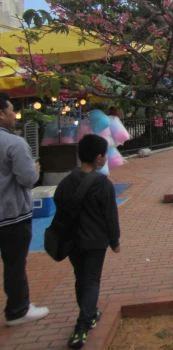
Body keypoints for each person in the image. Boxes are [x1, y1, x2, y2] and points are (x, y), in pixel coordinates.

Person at [54, 134, 121, 348]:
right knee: (92, 280)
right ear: (99, 158)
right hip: (95, 241)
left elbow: (59, 204)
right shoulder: (103, 185)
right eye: (104, 155)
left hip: (72, 242)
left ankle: (90, 312)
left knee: (80, 277)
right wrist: (115, 240)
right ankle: (83, 326)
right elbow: (110, 216)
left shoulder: (66, 182)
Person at [0, 93, 50, 327]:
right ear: (1, 114)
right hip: (11, 215)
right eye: (11, 110)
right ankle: (18, 309)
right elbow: (28, 177)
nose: (14, 114)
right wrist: (36, 169)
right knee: (15, 263)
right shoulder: (14, 142)